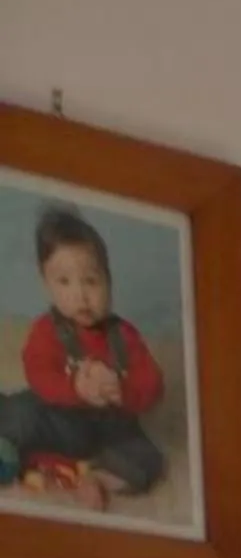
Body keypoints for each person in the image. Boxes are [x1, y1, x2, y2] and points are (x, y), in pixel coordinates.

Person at [0, 205, 167, 507]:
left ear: (108, 280)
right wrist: (74, 386)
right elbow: (37, 371)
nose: (80, 295)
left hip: (107, 430)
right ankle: (12, 461)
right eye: (64, 282)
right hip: (57, 418)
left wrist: (122, 389)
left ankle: (94, 479)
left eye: (91, 281)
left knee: (148, 458)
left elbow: (152, 382)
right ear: (47, 285)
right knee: (19, 411)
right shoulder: (48, 330)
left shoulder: (124, 335)